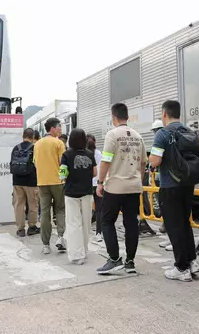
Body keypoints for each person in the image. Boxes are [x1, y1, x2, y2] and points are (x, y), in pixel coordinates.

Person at [148, 100, 199, 281]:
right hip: (187, 184)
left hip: (169, 185)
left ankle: (181, 268)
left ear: (164, 114)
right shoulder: (189, 132)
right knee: (185, 223)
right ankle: (192, 261)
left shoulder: (163, 134)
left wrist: (153, 160)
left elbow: (154, 161)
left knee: (173, 226)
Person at [96, 103, 147, 274]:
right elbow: (143, 163)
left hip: (115, 187)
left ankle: (114, 258)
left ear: (113, 117)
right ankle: (130, 262)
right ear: (127, 116)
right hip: (134, 186)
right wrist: (138, 180)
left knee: (107, 220)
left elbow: (106, 160)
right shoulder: (138, 136)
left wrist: (100, 182)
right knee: (131, 223)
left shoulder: (112, 135)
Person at [60, 128, 97, 264]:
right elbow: (94, 172)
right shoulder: (89, 154)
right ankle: (85, 251)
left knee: (73, 223)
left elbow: (63, 174)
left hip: (71, 193)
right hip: (87, 192)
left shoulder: (66, 154)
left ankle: (77, 255)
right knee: (86, 222)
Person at [34, 117, 67, 254]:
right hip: (57, 182)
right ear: (52, 128)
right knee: (60, 210)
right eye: (59, 127)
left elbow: (35, 163)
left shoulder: (37, 144)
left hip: (42, 182)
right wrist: (64, 178)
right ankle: (61, 238)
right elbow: (62, 163)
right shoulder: (58, 143)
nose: (60, 129)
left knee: (45, 213)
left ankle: (46, 245)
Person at [10, 128, 40, 237]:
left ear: (23, 136)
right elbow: (37, 165)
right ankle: (32, 227)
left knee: (19, 205)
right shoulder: (35, 148)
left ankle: (20, 229)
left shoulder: (15, 148)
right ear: (32, 137)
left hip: (17, 181)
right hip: (31, 181)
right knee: (33, 205)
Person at [87, 136, 103, 242]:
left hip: (87, 184)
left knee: (86, 209)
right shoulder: (99, 154)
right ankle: (99, 233)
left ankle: (85, 233)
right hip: (98, 184)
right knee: (99, 210)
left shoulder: (84, 154)